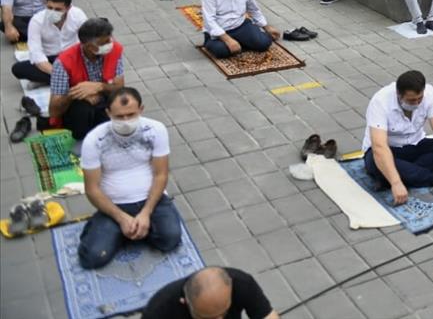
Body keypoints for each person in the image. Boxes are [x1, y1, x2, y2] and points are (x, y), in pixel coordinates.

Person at [78, 88, 181, 270]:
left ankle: (131, 229)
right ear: (108, 113)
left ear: (141, 109)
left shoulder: (156, 130)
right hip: (114, 204)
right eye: (119, 117)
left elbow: (161, 175)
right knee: (92, 258)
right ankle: (121, 227)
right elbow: (92, 189)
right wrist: (121, 218)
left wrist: (146, 212)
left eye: (131, 115)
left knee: (170, 240)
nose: (125, 121)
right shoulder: (94, 140)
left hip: (151, 200)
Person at [363, 70, 433, 202]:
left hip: (416, 144)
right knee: (375, 163)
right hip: (389, 150)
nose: (416, 103)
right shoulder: (380, 102)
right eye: (411, 100)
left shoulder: (430, 95)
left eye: (419, 99)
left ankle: (394, 177)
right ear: (399, 94)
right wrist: (396, 183)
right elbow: (379, 147)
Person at [48, 17, 123, 139]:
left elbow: (120, 87)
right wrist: (78, 93)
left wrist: (99, 86)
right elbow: (54, 111)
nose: (111, 43)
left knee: (125, 102)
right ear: (90, 47)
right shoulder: (63, 62)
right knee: (82, 110)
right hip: (78, 106)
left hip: (104, 100)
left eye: (110, 38)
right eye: (106, 41)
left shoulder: (114, 49)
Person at [200, 0, 282, 58]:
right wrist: (227, 39)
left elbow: (254, 9)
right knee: (221, 51)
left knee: (264, 43)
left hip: (240, 25)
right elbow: (209, 20)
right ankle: (225, 43)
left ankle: (241, 42)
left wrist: (266, 26)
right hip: (220, 30)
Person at [11, 0, 86, 86]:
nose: (52, 12)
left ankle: (49, 81)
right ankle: (69, 79)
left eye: (58, 9)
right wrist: (56, 73)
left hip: (72, 56)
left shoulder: (77, 14)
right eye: (49, 8)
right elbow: (36, 53)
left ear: (68, 8)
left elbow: (87, 41)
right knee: (19, 69)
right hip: (49, 59)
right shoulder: (37, 21)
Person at [141, 266, 278, 319]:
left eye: (223, 313)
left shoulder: (241, 283)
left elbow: (268, 316)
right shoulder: (159, 310)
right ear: (185, 302)